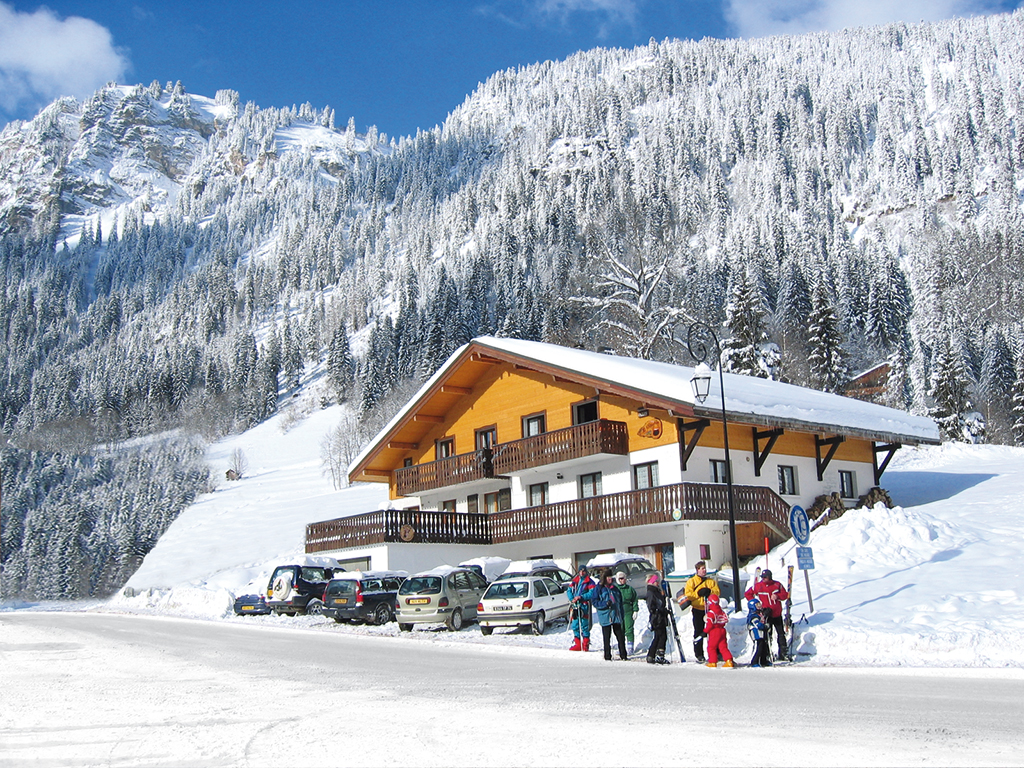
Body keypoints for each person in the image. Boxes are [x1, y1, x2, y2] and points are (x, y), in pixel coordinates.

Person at [744, 569, 789, 659]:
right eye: (762, 577)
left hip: (777, 613)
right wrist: (756, 604)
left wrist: (778, 596)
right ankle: (767, 654)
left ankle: (783, 653)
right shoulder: (758, 586)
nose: (763, 579)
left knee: (781, 633)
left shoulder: (777, 585)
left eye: (765, 577)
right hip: (766, 614)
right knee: (767, 635)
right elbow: (748, 594)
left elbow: (785, 595)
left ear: (770, 577)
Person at [681, 560, 720, 663]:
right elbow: (688, 595)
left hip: (709, 610)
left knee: (713, 631)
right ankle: (699, 653)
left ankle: (716, 652)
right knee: (699, 631)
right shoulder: (692, 581)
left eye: (705, 568)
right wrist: (698, 594)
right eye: (702, 569)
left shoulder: (710, 581)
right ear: (697, 570)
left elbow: (717, 591)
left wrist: (710, 592)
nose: (704, 571)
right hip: (698, 610)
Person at [594, 569, 628, 661]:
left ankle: (623, 655)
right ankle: (607, 656)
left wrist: (621, 614)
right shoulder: (599, 589)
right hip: (606, 616)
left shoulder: (615, 588)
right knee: (607, 637)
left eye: (611, 577)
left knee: (620, 636)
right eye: (608, 577)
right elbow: (595, 602)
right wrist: (605, 604)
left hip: (615, 616)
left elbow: (620, 602)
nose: (610, 579)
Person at [566, 565, 597, 651]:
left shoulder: (590, 582)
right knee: (575, 624)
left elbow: (592, 593)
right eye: (580, 571)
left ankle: (586, 643)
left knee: (584, 625)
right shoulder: (575, 581)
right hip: (575, 605)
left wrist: (581, 597)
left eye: (583, 571)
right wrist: (572, 599)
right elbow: (569, 590)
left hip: (583, 605)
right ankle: (578, 644)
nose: (581, 573)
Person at [644, 573, 671, 665]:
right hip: (657, 618)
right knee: (659, 636)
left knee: (662, 636)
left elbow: (661, 603)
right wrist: (659, 610)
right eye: (656, 581)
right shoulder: (651, 592)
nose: (658, 583)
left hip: (661, 616)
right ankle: (654, 655)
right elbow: (651, 606)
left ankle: (656, 655)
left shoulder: (657, 591)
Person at [703, 593, 734, 667]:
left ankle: (712, 662)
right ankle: (729, 660)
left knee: (711, 647)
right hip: (722, 630)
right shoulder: (721, 610)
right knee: (723, 647)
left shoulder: (711, 612)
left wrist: (705, 631)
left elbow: (710, 624)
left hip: (714, 631)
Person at [614, 570, 639, 655]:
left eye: (623, 578)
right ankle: (621, 647)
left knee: (629, 629)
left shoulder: (630, 589)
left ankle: (630, 648)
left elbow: (635, 600)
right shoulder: (615, 589)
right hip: (618, 612)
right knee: (620, 630)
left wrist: (635, 610)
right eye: (620, 579)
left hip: (628, 611)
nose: (622, 580)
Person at [746, 597, 770, 667]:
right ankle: (754, 661)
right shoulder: (753, 615)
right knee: (758, 647)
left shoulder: (760, 614)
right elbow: (757, 624)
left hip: (762, 633)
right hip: (756, 634)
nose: (759, 606)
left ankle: (764, 660)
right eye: (757, 605)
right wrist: (763, 626)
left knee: (764, 647)